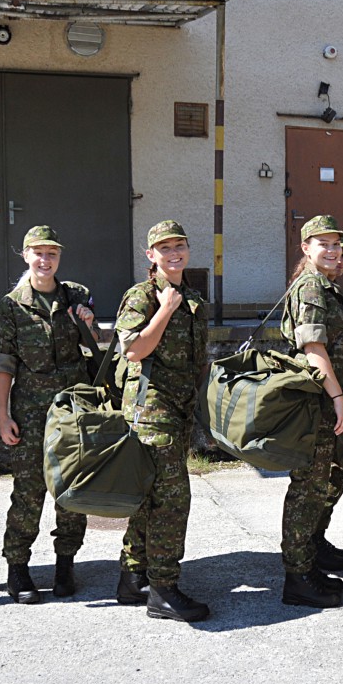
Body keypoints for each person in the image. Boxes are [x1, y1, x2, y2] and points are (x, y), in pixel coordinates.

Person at [0, 225, 97, 603]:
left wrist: (87, 323)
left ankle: (65, 563)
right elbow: (3, 365)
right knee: (29, 492)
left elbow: (93, 347)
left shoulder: (75, 296)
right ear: (26, 256)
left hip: (73, 410)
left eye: (52, 253)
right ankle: (17, 568)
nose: (45, 260)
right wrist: (2, 415)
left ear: (59, 257)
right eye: (38, 253)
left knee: (73, 487)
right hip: (31, 412)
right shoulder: (11, 306)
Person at [113, 220, 210, 622]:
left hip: (180, 409)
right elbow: (134, 350)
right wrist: (165, 310)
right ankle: (163, 589)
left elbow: (198, 359)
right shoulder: (142, 296)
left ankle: (133, 576)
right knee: (172, 499)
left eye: (179, 246)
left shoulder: (193, 298)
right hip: (151, 410)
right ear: (150, 255)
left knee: (151, 494)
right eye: (164, 248)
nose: (174, 253)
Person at [278, 215, 343, 609]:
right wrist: (338, 398)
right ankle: (297, 576)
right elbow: (314, 349)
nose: (332, 250)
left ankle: (309, 556)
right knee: (307, 488)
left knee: (322, 484)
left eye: (336, 243)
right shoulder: (310, 287)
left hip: (328, 403)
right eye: (323, 243)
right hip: (318, 404)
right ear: (306, 248)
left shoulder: (326, 286)